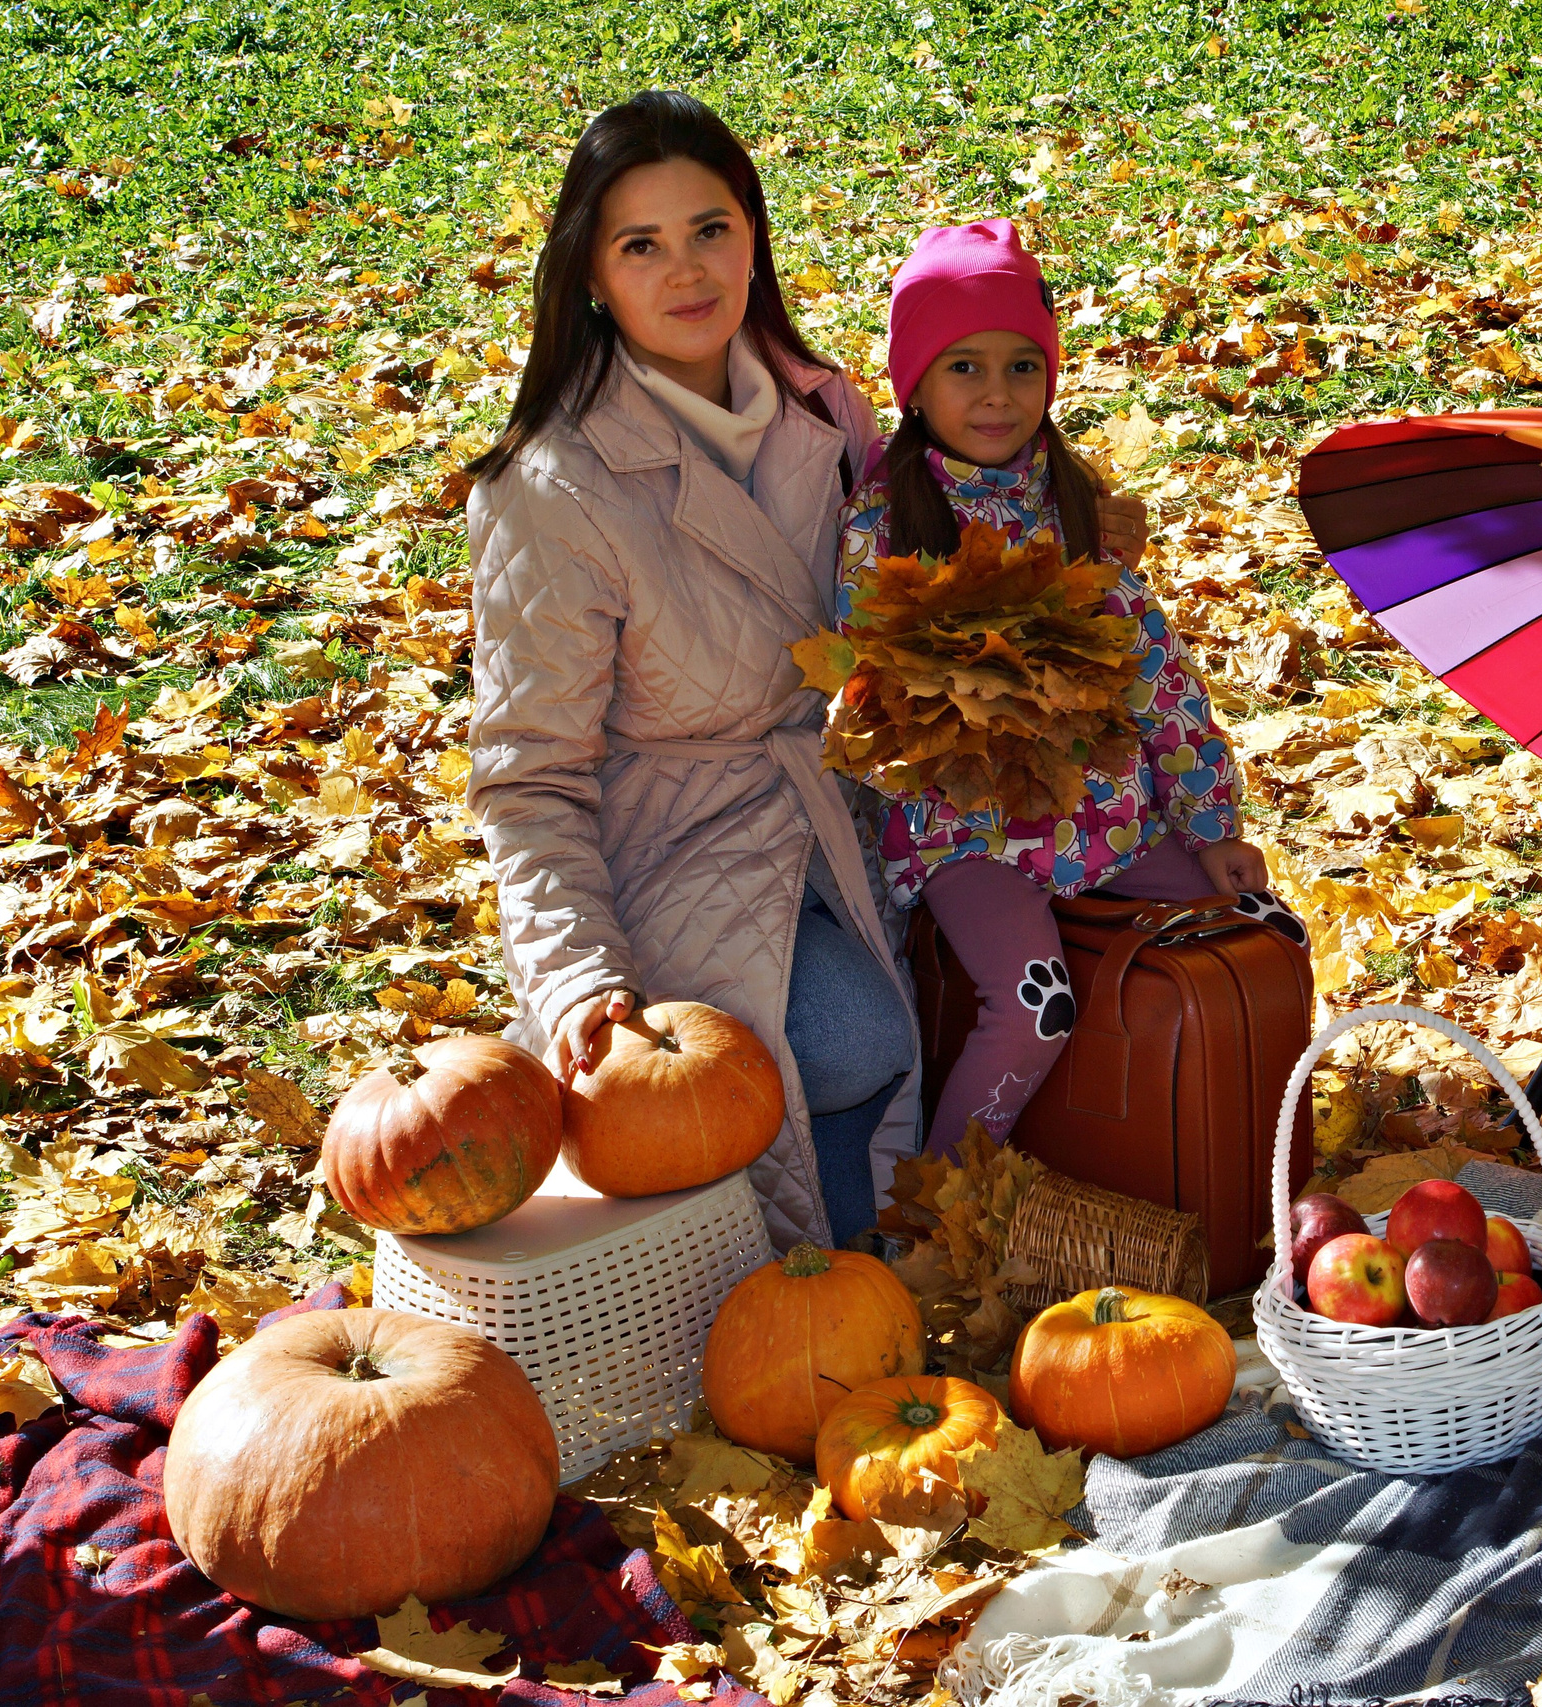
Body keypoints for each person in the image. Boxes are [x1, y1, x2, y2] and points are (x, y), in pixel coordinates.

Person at [461, 96, 1150, 1247]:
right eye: (642, 245)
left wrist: (1078, 538)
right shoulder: (551, 491)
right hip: (675, 844)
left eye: (711, 230)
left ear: (753, 235)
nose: (687, 273)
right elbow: (527, 777)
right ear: (592, 273)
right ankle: (837, 1284)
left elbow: (934, 533)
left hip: (849, 803)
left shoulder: (820, 405)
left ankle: (892, 1265)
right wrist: (578, 976)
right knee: (857, 1043)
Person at [836, 218, 1292, 1151]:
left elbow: (1158, 680)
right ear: (914, 381)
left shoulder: (1074, 505)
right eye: (964, 366)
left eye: (1022, 366)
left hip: (1104, 820)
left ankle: (1221, 1155)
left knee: (1255, 931)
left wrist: (1211, 830)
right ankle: (948, 1194)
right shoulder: (884, 523)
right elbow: (869, 706)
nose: (998, 394)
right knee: (1034, 1002)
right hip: (965, 833)